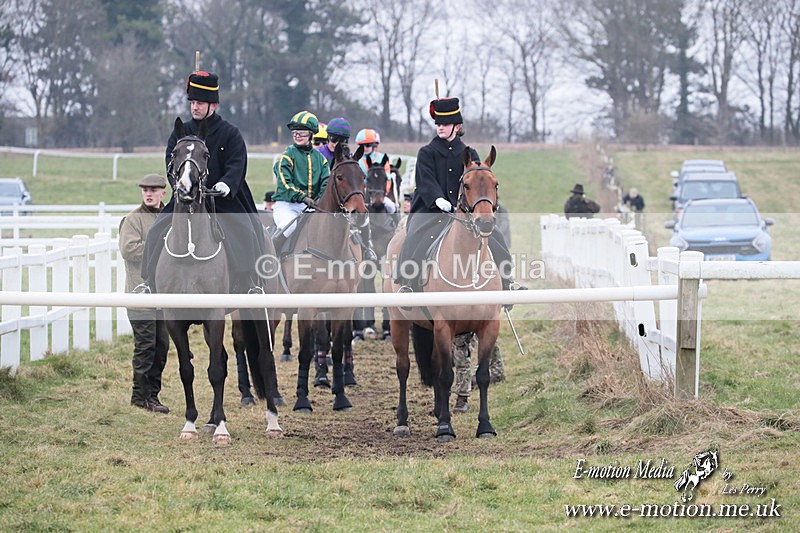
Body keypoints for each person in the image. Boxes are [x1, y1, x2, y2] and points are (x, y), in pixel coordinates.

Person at [141, 70, 266, 294]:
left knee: (246, 230)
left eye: (200, 103)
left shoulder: (230, 133)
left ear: (213, 105)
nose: (195, 107)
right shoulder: (181, 132)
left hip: (222, 199)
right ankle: (149, 283)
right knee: (156, 231)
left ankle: (249, 283)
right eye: (192, 103)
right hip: (186, 198)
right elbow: (171, 162)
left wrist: (227, 184)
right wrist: (180, 186)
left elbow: (238, 163)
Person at [395, 96, 525, 296]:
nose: (440, 127)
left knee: (496, 236)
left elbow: (478, 181)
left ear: (456, 126)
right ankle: (409, 283)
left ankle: (508, 281)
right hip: (430, 209)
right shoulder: (426, 152)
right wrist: (438, 199)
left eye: (445, 124)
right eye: (438, 123)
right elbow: (425, 181)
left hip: (464, 211)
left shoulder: (469, 153)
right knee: (415, 237)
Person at [119, 173, 170, 414]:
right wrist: (162, 250)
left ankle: (152, 395)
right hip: (139, 295)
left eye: (153, 190)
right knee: (145, 347)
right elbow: (128, 250)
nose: (148, 194)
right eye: (145, 190)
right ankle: (139, 397)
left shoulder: (169, 216)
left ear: (163, 193)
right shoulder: (133, 219)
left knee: (161, 348)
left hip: (163, 297)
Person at [271, 110, 330, 242]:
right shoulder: (286, 157)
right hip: (287, 205)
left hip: (311, 206)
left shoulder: (321, 159)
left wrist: (320, 199)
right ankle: (272, 252)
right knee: (289, 227)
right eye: (295, 132)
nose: (297, 136)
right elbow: (285, 184)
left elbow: (326, 182)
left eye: (302, 132)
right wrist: (303, 198)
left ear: (311, 134)